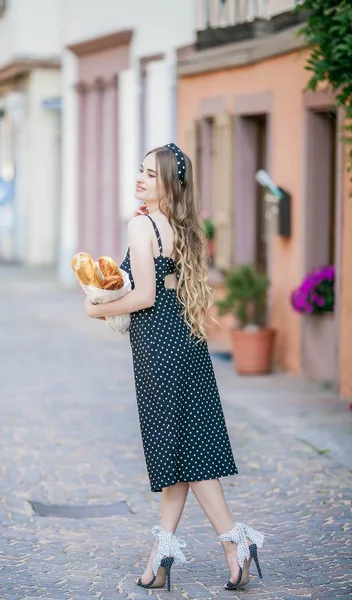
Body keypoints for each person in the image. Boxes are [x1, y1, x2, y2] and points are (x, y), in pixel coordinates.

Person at [85, 143, 264, 592]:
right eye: (140, 171)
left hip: (159, 343)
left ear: (169, 183)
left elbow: (145, 295)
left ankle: (232, 542)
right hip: (184, 336)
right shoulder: (180, 225)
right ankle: (163, 551)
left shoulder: (141, 224)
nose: (141, 179)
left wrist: (97, 310)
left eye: (151, 174)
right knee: (181, 448)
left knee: (181, 448)